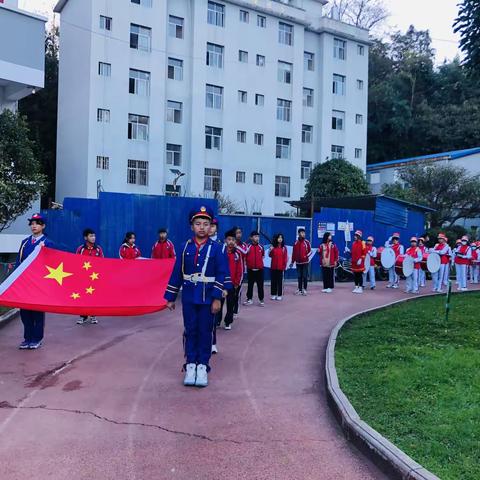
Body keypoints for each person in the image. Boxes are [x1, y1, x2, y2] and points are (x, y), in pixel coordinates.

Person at [164, 205, 228, 388]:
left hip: (208, 298)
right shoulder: (184, 247)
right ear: (192, 226)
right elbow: (177, 273)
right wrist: (171, 296)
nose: (202, 227)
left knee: (205, 331)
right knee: (190, 330)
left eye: (206, 224)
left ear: (211, 226)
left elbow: (221, 273)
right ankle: (190, 364)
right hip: (190, 297)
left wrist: (217, 298)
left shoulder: (217, 249)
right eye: (198, 223)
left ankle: (203, 367)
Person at [15, 214, 54, 350]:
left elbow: (51, 264)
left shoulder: (48, 243)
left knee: (37, 312)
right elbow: (18, 263)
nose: (34, 226)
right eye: (32, 223)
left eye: (37, 223)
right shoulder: (25, 242)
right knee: (25, 312)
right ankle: (27, 338)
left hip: (39, 284)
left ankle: (37, 339)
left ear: (43, 226)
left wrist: (44, 250)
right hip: (24, 283)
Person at [75, 228, 104, 325]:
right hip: (83, 277)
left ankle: (93, 315)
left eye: (94, 236)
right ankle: (83, 316)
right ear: (85, 237)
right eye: (91, 236)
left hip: (94, 277)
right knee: (83, 296)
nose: (93, 238)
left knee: (93, 296)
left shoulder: (98, 249)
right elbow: (75, 261)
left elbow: (102, 262)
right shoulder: (81, 249)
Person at [223, 228, 243, 330]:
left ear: (235, 242)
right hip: (221, 283)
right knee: (219, 302)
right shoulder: (221, 252)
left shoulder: (237, 254)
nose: (231, 241)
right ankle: (217, 320)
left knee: (230, 303)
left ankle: (228, 321)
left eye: (233, 240)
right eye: (229, 239)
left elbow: (240, 269)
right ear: (225, 240)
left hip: (231, 284)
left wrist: (237, 283)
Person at [244, 231, 265, 306]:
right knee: (250, 285)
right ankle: (249, 299)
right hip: (250, 270)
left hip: (260, 270)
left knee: (260, 285)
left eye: (258, 236)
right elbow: (245, 257)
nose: (257, 238)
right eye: (255, 236)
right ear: (251, 237)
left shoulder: (261, 247)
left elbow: (263, 256)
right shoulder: (248, 246)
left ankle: (261, 300)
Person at [291, 228, 311, 295]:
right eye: (302, 233)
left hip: (305, 262)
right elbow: (294, 253)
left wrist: (306, 256)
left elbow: (310, 251)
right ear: (299, 234)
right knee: (299, 276)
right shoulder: (295, 243)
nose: (303, 234)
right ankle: (299, 289)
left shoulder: (307, 242)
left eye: (304, 233)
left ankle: (304, 289)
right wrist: (292, 262)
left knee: (304, 276)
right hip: (298, 263)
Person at [269, 233, 288, 301]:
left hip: (281, 268)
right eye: (279, 237)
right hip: (273, 267)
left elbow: (285, 258)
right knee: (273, 281)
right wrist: (271, 249)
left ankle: (279, 295)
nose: (280, 239)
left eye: (281, 238)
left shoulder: (284, 248)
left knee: (280, 282)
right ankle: (273, 294)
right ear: (276, 239)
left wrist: (284, 267)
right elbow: (270, 255)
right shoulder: (273, 247)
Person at [234, 227, 248, 315]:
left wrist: (236, 247)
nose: (238, 234)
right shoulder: (229, 244)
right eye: (236, 233)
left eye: (240, 233)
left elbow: (245, 252)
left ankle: (235, 310)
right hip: (230, 272)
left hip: (240, 273)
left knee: (237, 292)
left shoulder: (244, 245)